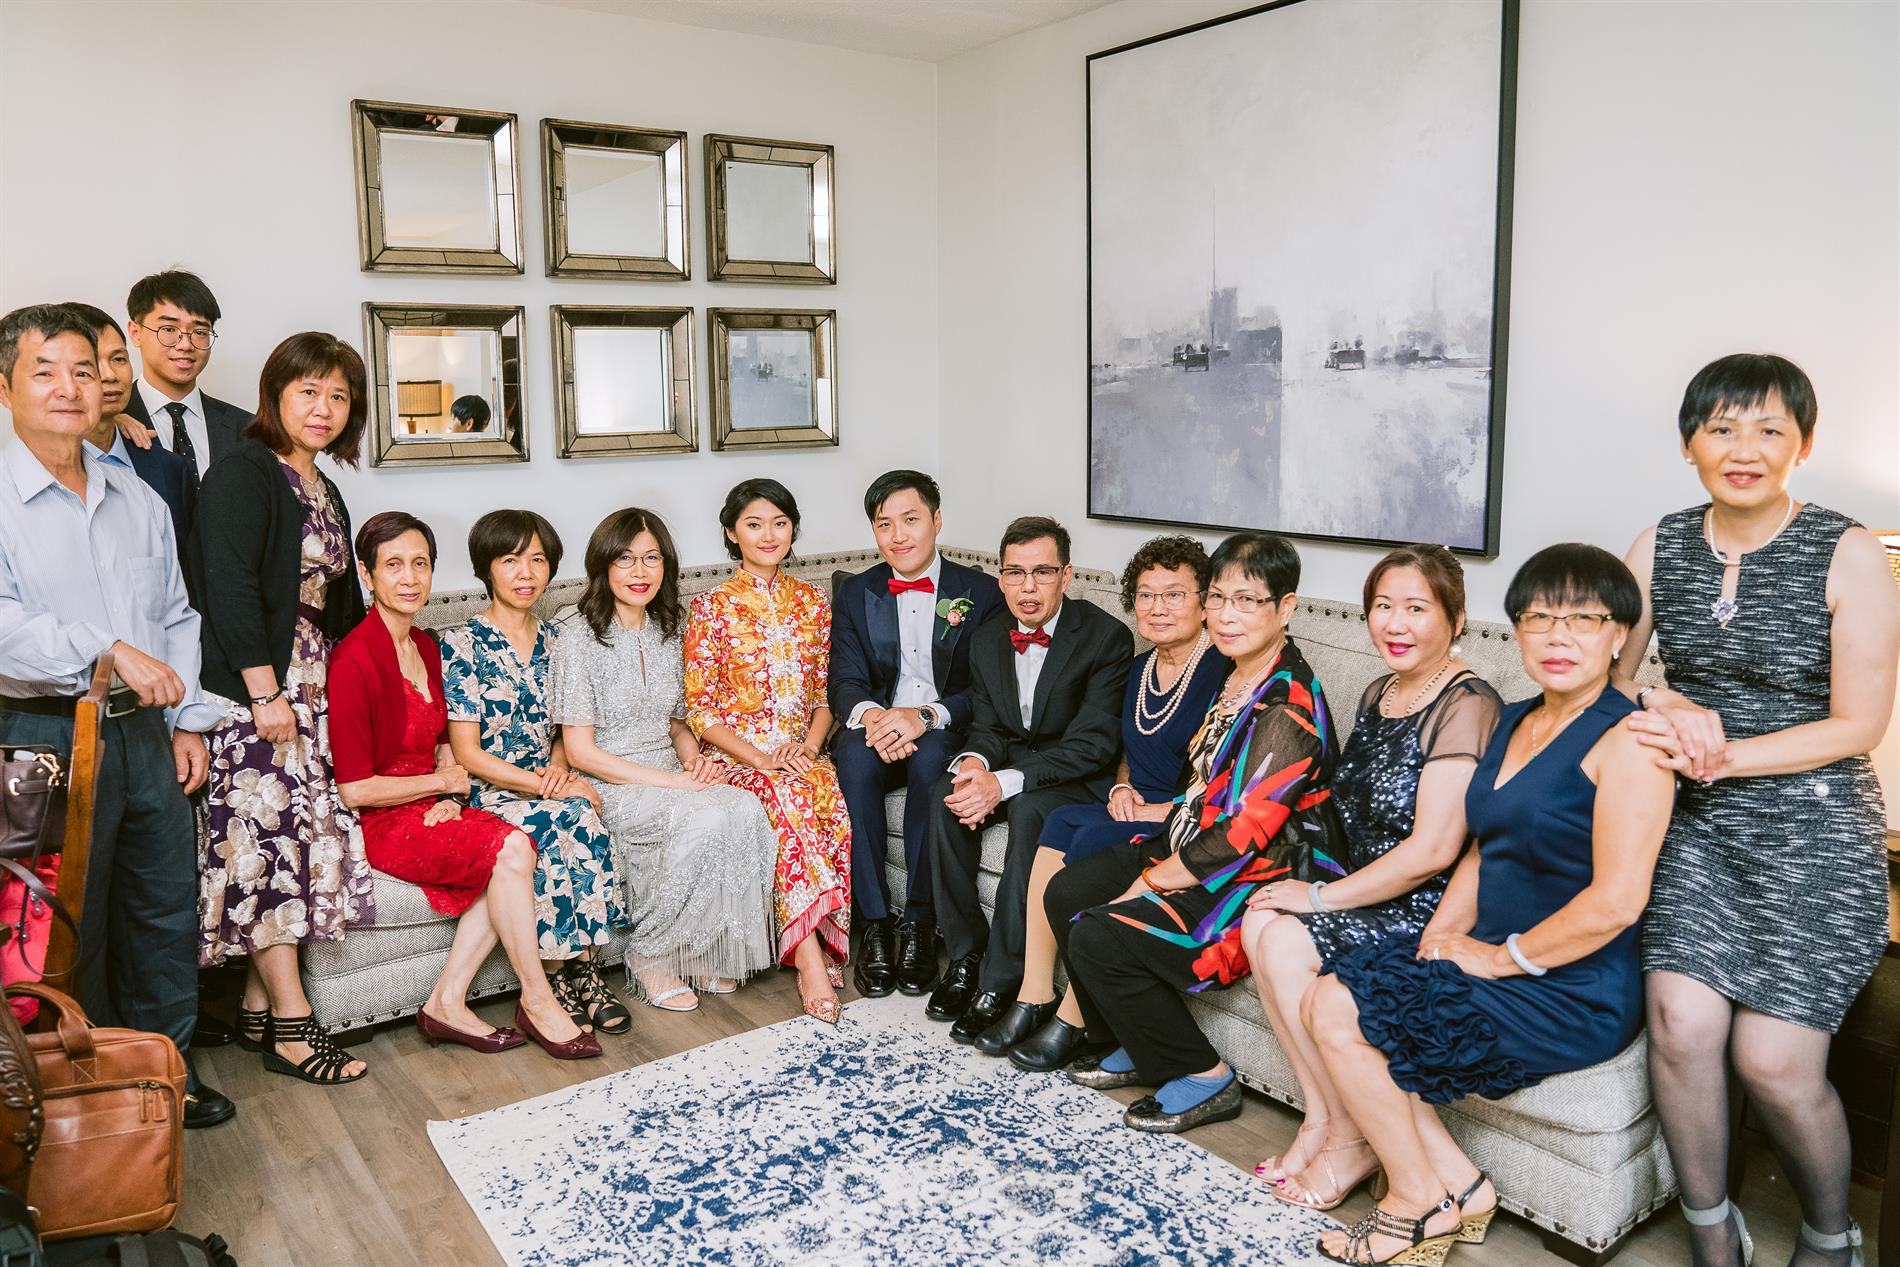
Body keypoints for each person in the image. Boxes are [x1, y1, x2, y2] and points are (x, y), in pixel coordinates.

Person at [1300, 544, 1673, 1265]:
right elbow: (1481, 847)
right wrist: (1439, 935)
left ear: (1620, 635)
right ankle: (1461, 1187)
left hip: (1569, 985)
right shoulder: (1519, 717)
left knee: (1342, 1009)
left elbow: (1618, 903)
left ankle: (1416, 1201)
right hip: (1489, 954)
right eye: (1539, 618)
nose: (1558, 637)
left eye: (1583, 620)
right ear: (1517, 630)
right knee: (1327, 993)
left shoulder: (1631, 740)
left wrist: (1500, 959)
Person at [1617, 355, 1898, 1267]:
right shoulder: (1657, 545)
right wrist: (1665, 700)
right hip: (1698, 831)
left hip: (1818, 831)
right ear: (1690, 442)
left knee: (1773, 1062)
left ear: (1802, 445)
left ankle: (1830, 1232)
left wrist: (1723, 753)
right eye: (1723, 428)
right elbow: (1607, 683)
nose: (1746, 448)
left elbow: (1859, 722)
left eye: (1770, 429)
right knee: (1680, 1025)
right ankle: (1713, 1232)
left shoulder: (1848, 551)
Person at [0, 304, 233, 1127]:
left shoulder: (136, 496)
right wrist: (104, 649)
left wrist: (188, 719)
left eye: (84, 369)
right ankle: (71, 1092)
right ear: (5, 388)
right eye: (45, 371)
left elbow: (177, 615)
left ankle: (163, 1074)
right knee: (61, 919)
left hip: (143, 732)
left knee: (161, 906)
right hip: (39, 735)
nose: (71, 387)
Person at [1043, 532, 1347, 1135]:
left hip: (1259, 875)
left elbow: (1243, 833)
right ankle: (1137, 1042)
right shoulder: (1236, 676)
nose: (1227, 615)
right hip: (1193, 841)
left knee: (1100, 933)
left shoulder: (1286, 704)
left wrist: (1154, 881)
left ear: (1285, 608)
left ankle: (1204, 1075)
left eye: (1248, 601)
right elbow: (1203, 788)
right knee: (1067, 891)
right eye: (1218, 598)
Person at [1240, 545, 1501, 1208]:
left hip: (1428, 906)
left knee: (1287, 936)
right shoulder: (1379, 692)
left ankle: (1350, 1137)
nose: (1395, 623)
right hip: (1368, 890)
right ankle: (1328, 1119)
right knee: (1258, 920)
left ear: (1456, 619)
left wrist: (1319, 896)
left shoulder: (1468, 703)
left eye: (1416, 608)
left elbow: (1434, 850)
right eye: (1383, 606)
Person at [330, 512, 601, 1061]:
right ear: (366, 573)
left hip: (433, 803)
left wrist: (451, 796)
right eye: (394, 566)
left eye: (420, 564)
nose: (410, 578)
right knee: (513, 847)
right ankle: (538, 998)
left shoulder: (424, 645)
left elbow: (446, 743)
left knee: (508, 858)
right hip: (386, 820)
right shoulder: (353, 659)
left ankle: (446, 1002)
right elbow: (355, 790)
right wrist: (441, 784)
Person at [188, 332, 376, 1085]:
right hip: (260, 691)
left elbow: (342, 605)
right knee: (265, 848)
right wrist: (264, 691)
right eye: (308, 391)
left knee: (299, 847)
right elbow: (228, 585)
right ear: (276, 394)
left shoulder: (323, 483)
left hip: (314, 687)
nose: (323, 408)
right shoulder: (245, 470)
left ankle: (259, 1010)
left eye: (339, 396)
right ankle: (295, 1028)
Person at [982, 534, 1225, 1064]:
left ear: (1205, 602)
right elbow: (1124, 750)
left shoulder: (1222, 672)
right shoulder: (1140, 668)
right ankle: (1034, 993)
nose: (1157, 608)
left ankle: (1075, 1017)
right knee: (1060, 820)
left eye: (1174, 595)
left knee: (1089, 836)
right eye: (1146, 595)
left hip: (1185, 817)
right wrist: (1120, 785)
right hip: (1134, 800)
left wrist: (1167, 808)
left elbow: (1227, 777)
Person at [552, 508, 776, 1012]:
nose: (640, 571)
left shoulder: (671, 629)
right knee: (702, 816)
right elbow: (580, 751)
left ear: (666, 566)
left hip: (669, 770)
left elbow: (677, 724)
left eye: (651, 558)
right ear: (603, 565)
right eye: (626, 559)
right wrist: (672, 783)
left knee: (743, 806)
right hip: (610, 780)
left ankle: (696, 951)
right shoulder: (577, 637)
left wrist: (694, 763)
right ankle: (649, 953)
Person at [924, 515, 1133, 1045]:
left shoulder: (1106, 637)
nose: (1028, 587)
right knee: (945, 796)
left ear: (1067, 575)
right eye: (1015, 573)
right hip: (1015, 762)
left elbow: (1094, 745)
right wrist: (975, 764)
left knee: (1029, 809)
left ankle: (1002, 981)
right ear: (1001, 578)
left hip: (1077, 775)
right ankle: (966, 958)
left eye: (1042, 572)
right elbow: (988, 726)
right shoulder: (988, 637)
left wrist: (1004, 782)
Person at [441, 511, 628, 1034]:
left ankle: (583, 971)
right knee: (554, 820)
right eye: (510, 560)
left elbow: (566, 731)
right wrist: (545, 786)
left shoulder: (559, 640)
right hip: (490, 790)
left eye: (538, 560)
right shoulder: (461, 643)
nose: (526, 573)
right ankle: (553, 977)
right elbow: (467, 753)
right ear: (486, 568)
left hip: (548, 779)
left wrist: (560, 773)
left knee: (582, 816)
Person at [829, 470, 1003, 998]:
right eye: (885, 524)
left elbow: (985, 690)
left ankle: (921, 922)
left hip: (941, 726)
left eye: (910, 520)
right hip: (876, 725)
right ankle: (875, 923)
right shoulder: (857, 591)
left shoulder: (982, 592)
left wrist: (923, 717)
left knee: (932, 764)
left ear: (937, 521)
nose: (898, 536)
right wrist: (876, 718)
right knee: (852, 761)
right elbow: (844, 680)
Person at [684, 480, 852, 1024]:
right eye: (754, 524)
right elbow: (701, 712)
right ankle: (809, 957)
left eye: (779, 523)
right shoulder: (710, 607)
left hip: (802, 752)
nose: (768, 535)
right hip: (739, 758)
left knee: (826, 792)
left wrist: (809, 747)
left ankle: (820, 934)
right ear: (732, 533)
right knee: (786, 797)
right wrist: (761, 759)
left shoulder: (814, 603)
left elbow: (826, 696)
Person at [66, 303, 194, 546]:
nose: (110, 375)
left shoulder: (169, 468)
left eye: (119, 359)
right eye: (89, 363)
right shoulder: (39, 471)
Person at [115, 270, 250, 478]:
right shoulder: (107, 423)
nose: (185, 345)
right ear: (135, 332)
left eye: (200, 332)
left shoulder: (247, 428)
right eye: (169, 329)